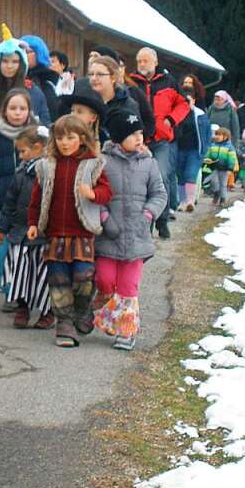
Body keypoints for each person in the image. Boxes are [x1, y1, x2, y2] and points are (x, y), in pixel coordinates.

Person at [27, 115, 112, 348]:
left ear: (82, 139)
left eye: (70, 138)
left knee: (83, 277)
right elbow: (36, 200)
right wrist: (33, 224)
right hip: (54, 234)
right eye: (60, 138)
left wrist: (93, 194)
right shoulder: (45, 166)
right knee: (58, 279)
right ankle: (64, 323)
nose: (64, 143)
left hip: (82, 233)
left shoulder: (93, 164)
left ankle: (82, 310)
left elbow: (107, 192)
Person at [93, 111, 168, 350]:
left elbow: (159, 194)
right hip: (108, 235)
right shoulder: (102, 161)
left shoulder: (148, 162)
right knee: (104, 280)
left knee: (128, 287)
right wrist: (104, 217)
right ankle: (104, 309)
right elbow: (95, 194)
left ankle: (126, 331)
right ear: (117, 138)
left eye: (140, 133)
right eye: (132, 134)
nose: (139, 138)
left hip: (137, 237)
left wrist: (147, 215)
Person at [0, 88, 39, 287]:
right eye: (13, 108)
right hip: (0, 202)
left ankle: (15, 290)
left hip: (28, 206)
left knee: (21, 250)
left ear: (29, 111)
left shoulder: (37, 138)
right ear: (4, 111)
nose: (17, 112)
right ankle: (6, 284)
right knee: (0, 248)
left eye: (22, 108)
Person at [0, 125, 53, 330]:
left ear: (38, 147)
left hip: (44, 234)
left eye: (23, 151)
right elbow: (9, 203)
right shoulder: (20, 174)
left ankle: (48, 311)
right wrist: (2, 228)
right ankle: (22, 307)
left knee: (42, 274)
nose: (20, 156)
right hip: (20, 232)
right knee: (19, 271)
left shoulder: (49, 172)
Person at [128, 48, 187, 239]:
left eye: (145, 61)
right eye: (139, 61)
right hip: (137, 138)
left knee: (161, 177)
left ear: (155, 62)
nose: (142, 64)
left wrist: (171, 119)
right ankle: (144, 222)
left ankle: (162, 220)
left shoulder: (169, 82)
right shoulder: (131, 82)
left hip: (161, 139)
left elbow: (184, 104)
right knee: (138, 180)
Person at [0, 37, 51, 128]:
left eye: (15, 62)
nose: (9, 66)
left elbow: (44, 126)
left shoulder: (33, 90)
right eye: (5, 61)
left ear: (22, 64)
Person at [175, 84, 211, 212]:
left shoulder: (199, 114)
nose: (186, 103)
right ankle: (182, 201)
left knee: (190, 174)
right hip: (179, 149)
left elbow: (207, 133)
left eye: (189, 100)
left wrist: (205, 149)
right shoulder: (176, 113)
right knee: (180, 175)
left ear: (194, 101)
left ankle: (190, 201)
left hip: (195, 150)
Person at [21, 34, 61, 121]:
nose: (24, 54)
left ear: (39, 53)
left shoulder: (46, 81)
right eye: (21, 51)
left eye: (29, 52)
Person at [202, 127, 238, 206]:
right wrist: (206, 159)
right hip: (214, 167)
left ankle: (223, 199)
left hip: (224, 169)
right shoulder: (213, 145)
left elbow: (232, 158)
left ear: (226, 137)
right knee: (214, 182)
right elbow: (208, 154)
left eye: (220, 135)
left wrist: (230, 168)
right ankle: (216, 193)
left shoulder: (229, 147)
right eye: (216, 135)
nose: (217, 137)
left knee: (223, 184)